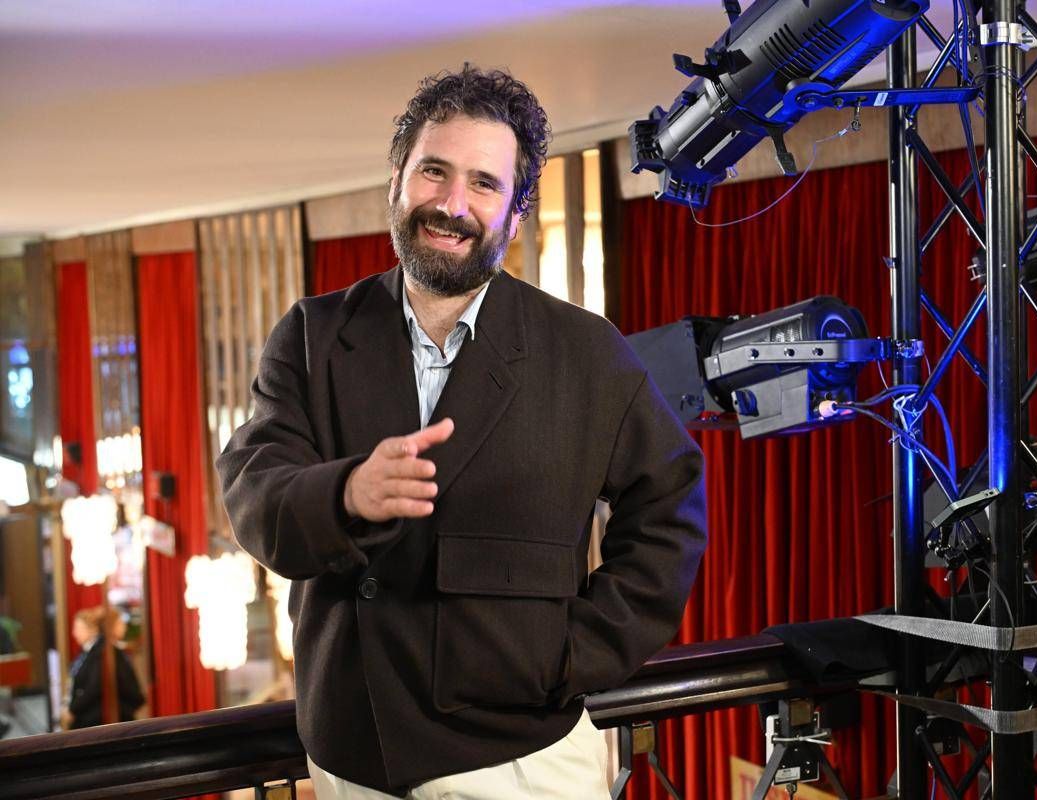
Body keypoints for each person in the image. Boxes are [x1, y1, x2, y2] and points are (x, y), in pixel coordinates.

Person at [217, 64, 706, 800]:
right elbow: (254, 496)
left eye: (484, 183)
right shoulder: (311, 335)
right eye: (434, 172)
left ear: (515, 212)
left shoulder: (585, 351)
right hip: (353, 757)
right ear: (396, 181)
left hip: (522, 757)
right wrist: (346, 494)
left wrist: (572, 655)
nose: (452, 205)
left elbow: (670, 507)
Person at [62, 606, 145, 729]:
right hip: (98, 719)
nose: (124, 626)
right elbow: (93, 686)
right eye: (120, 623)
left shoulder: (104, 651)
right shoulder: (104, 652)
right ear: (111, 626)